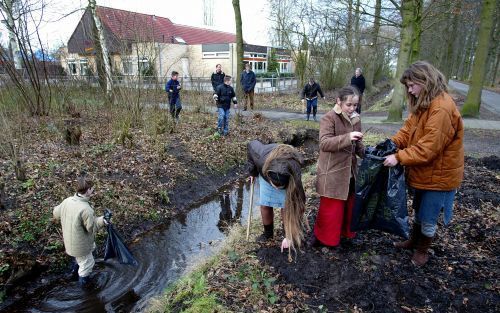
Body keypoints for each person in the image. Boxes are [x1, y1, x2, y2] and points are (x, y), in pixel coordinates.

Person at [383, 61, 464, 267]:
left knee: (428, 215)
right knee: (419, 209)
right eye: (408, 86)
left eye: (412, 85)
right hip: (425, 172)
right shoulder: (424, 103)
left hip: (439, 175)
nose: (410, 90)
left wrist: (398, 157)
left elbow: (429, 148)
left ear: (424, 80)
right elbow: (408, 129)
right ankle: (413, 240)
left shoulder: (442, 108)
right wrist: (393, 143)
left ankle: (422, 250)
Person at [311, 86, 365, 247]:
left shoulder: (356, 119)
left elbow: (358, 145)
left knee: (349, 206)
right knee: (331, 210)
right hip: (332, 172)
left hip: (350, 172)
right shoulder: (329, 118)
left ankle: (345, 234)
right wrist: (348, 137)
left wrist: (369, 153)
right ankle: (325, 239)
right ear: (339, 102)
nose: (352, 108)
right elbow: (325, 143)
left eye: (355, 105)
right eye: (349, 104)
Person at [247, 140, 306, 253]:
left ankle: (287, 234)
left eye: (281, 186)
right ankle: (268, 234)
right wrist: (252, 172)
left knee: (286, 205)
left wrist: (290, 236)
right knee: (265, 204)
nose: (277, 189)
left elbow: (300, 199)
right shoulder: (260, 157)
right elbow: (250, 145)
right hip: (266, 166)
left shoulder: (294, 168)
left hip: (287, 172)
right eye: (275, 185)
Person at [52, 175, 108, 287]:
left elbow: (55, 213)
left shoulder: (67, 201)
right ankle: (85, 290)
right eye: (92, 189)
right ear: (88, 191)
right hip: (81, 246)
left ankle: (73, 275)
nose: (93, 191)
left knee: (80, 260)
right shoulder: (86, 209)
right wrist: (103, 221)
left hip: (69, 243)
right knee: (87, 264)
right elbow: (91, 228)